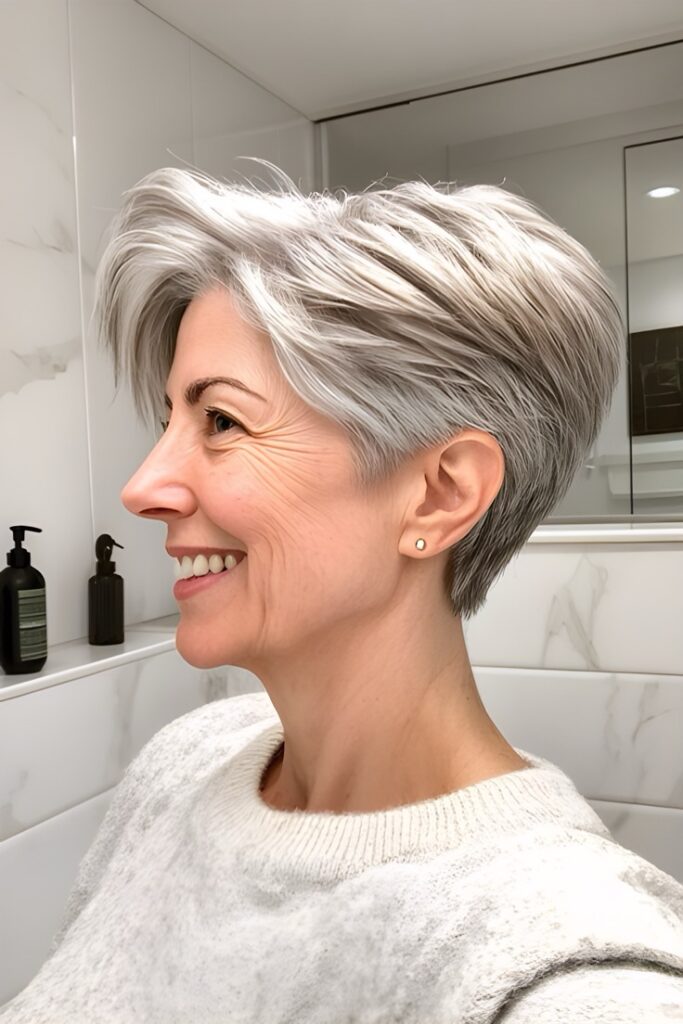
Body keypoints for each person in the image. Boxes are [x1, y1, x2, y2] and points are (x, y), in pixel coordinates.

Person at [3, 160, 682, 1022]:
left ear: (438, 494)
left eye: (221, 421)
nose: (143, 487)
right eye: (170, 419)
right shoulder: (186, 763)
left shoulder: (559, 962)